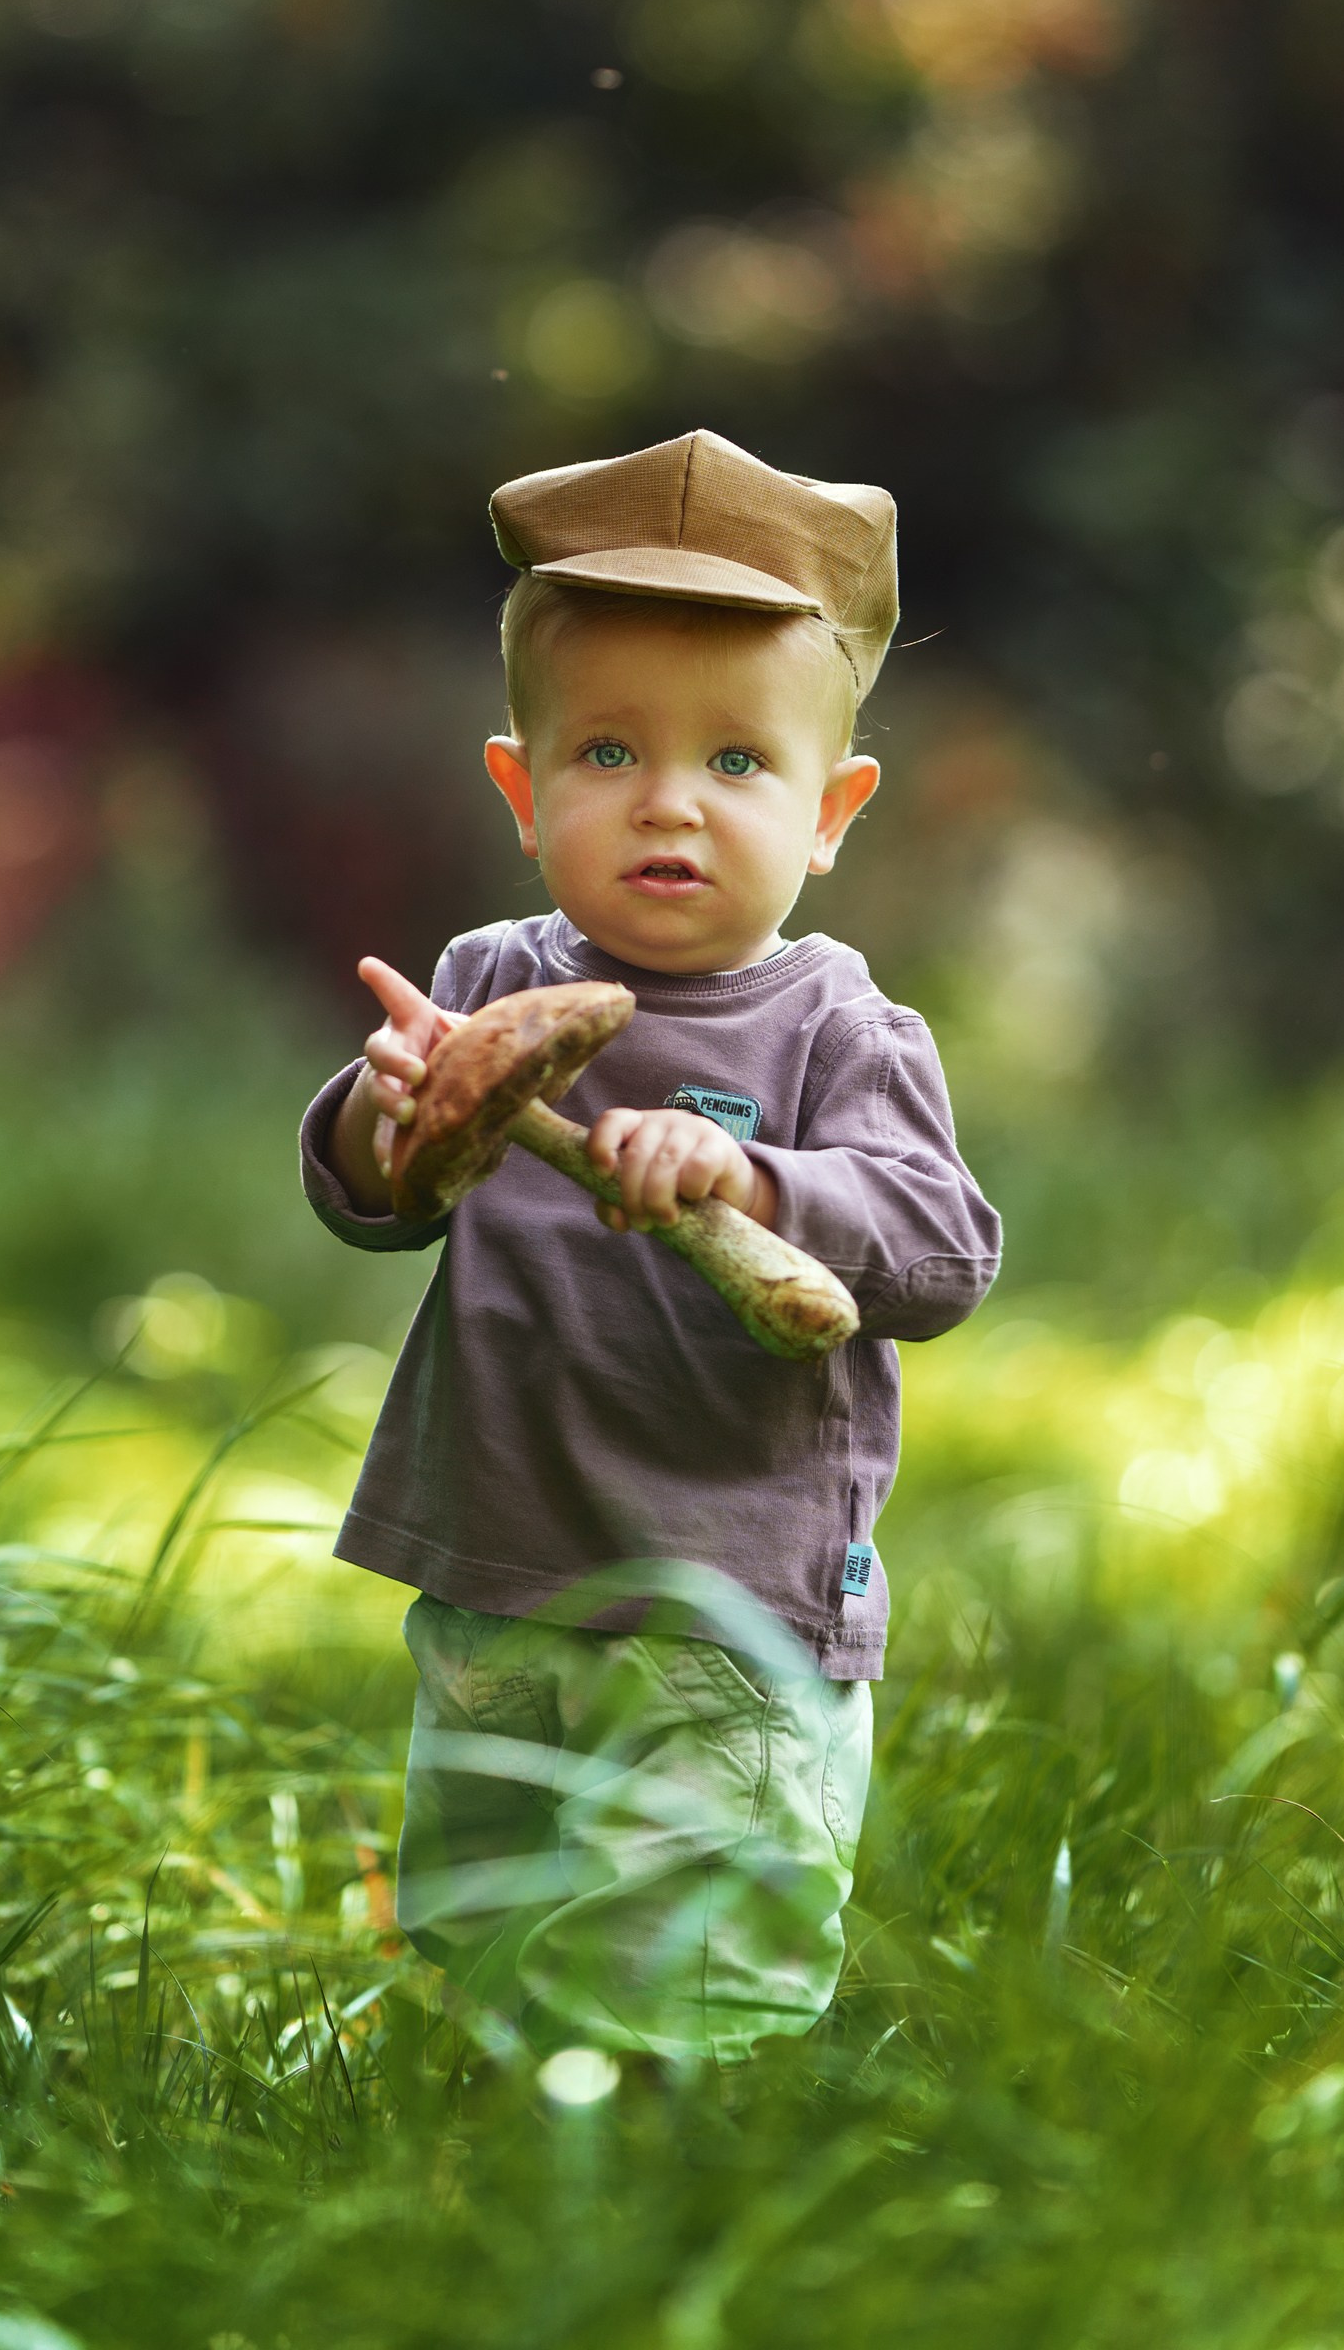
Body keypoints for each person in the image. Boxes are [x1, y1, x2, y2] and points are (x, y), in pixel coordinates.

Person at [299, 429, 1001, 2064]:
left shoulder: (837, 1022)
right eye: (608, 752)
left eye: (739, 766)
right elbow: (363, 1194)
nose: (670, 803)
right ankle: (505, 2187)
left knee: (694, 1972)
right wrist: (386, 1110)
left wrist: (754, 1182)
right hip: (496, 1576)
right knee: (484, 1933)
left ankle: (690, 2222)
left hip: (724, 1611)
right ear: (521, 787)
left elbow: (941, 1247)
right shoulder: (488, 971)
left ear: (832, 813)